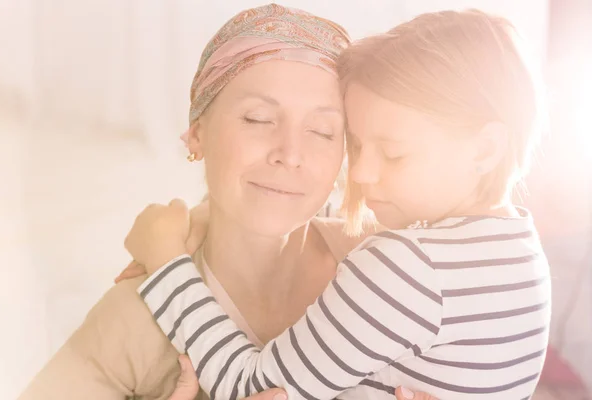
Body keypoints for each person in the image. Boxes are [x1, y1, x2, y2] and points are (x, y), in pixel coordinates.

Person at [126, 8, 551, 400]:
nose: (360, 174)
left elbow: (251, 388)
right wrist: (207, 216)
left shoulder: (407, 267)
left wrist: (165, 257)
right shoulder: (520, 253)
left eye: (393, 153)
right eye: (356, 145)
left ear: (484, 150)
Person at [17, 4, 431, 400]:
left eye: (323, 131)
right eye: (258, 119)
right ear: (197, 132)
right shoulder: (135, 320)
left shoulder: (399, 276)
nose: (289, 152)